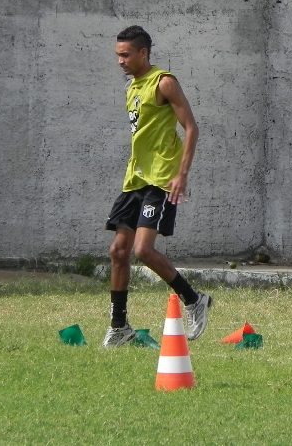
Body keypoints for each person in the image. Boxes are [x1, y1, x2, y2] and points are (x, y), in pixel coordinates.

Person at [102, 25, 212, 348]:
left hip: (161, 180)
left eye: (125, 55)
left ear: (143, 53)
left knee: (142, 250)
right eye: (117, 55)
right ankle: (119, 327)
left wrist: (182, 173)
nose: (120, 61)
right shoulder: (131, 88)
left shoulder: (164, 83)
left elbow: (191, 128)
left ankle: (194, 300)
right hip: (135, 178)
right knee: (118, 251)